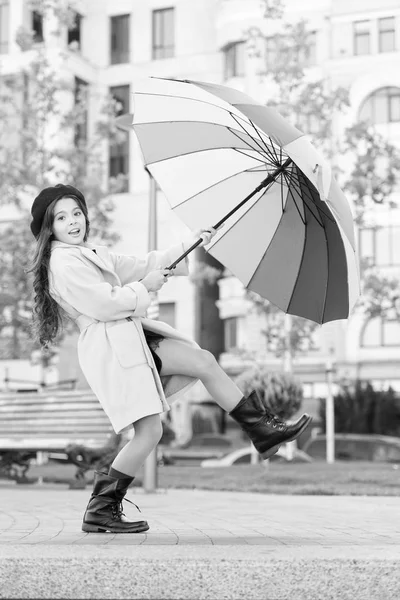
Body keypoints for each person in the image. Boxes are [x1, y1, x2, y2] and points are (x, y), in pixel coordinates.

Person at [29, 183, 312, 534]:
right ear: (49, 227)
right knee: (151, 429)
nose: (73, 221)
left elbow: (139, 264)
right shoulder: (64, 261)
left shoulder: (87, 253)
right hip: (114, 346)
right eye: (61, 217)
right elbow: (104, 304)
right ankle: (101, 509)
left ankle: (262, 430)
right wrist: (144, 287)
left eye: (76, 213)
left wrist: (191, 242)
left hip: (130, 339)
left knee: (198, 368)